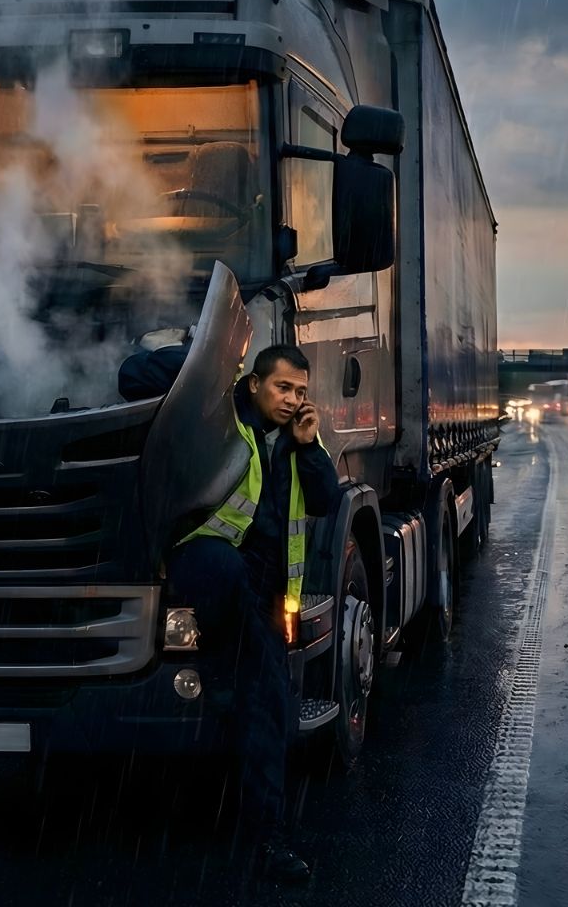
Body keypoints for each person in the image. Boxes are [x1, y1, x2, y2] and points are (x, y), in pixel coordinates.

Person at [166, 343, 340, 885]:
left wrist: (309, 447)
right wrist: (196, 363)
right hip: (211, 578)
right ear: (253, 384)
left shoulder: (299, 442)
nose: (292, 400)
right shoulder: (221, 420)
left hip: (262, 600)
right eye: (283, 388)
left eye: (301, 392)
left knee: (268, 709)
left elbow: (326, 501)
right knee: (259, 689)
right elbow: (134, 375)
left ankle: (266, 838)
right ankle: (266, 838)